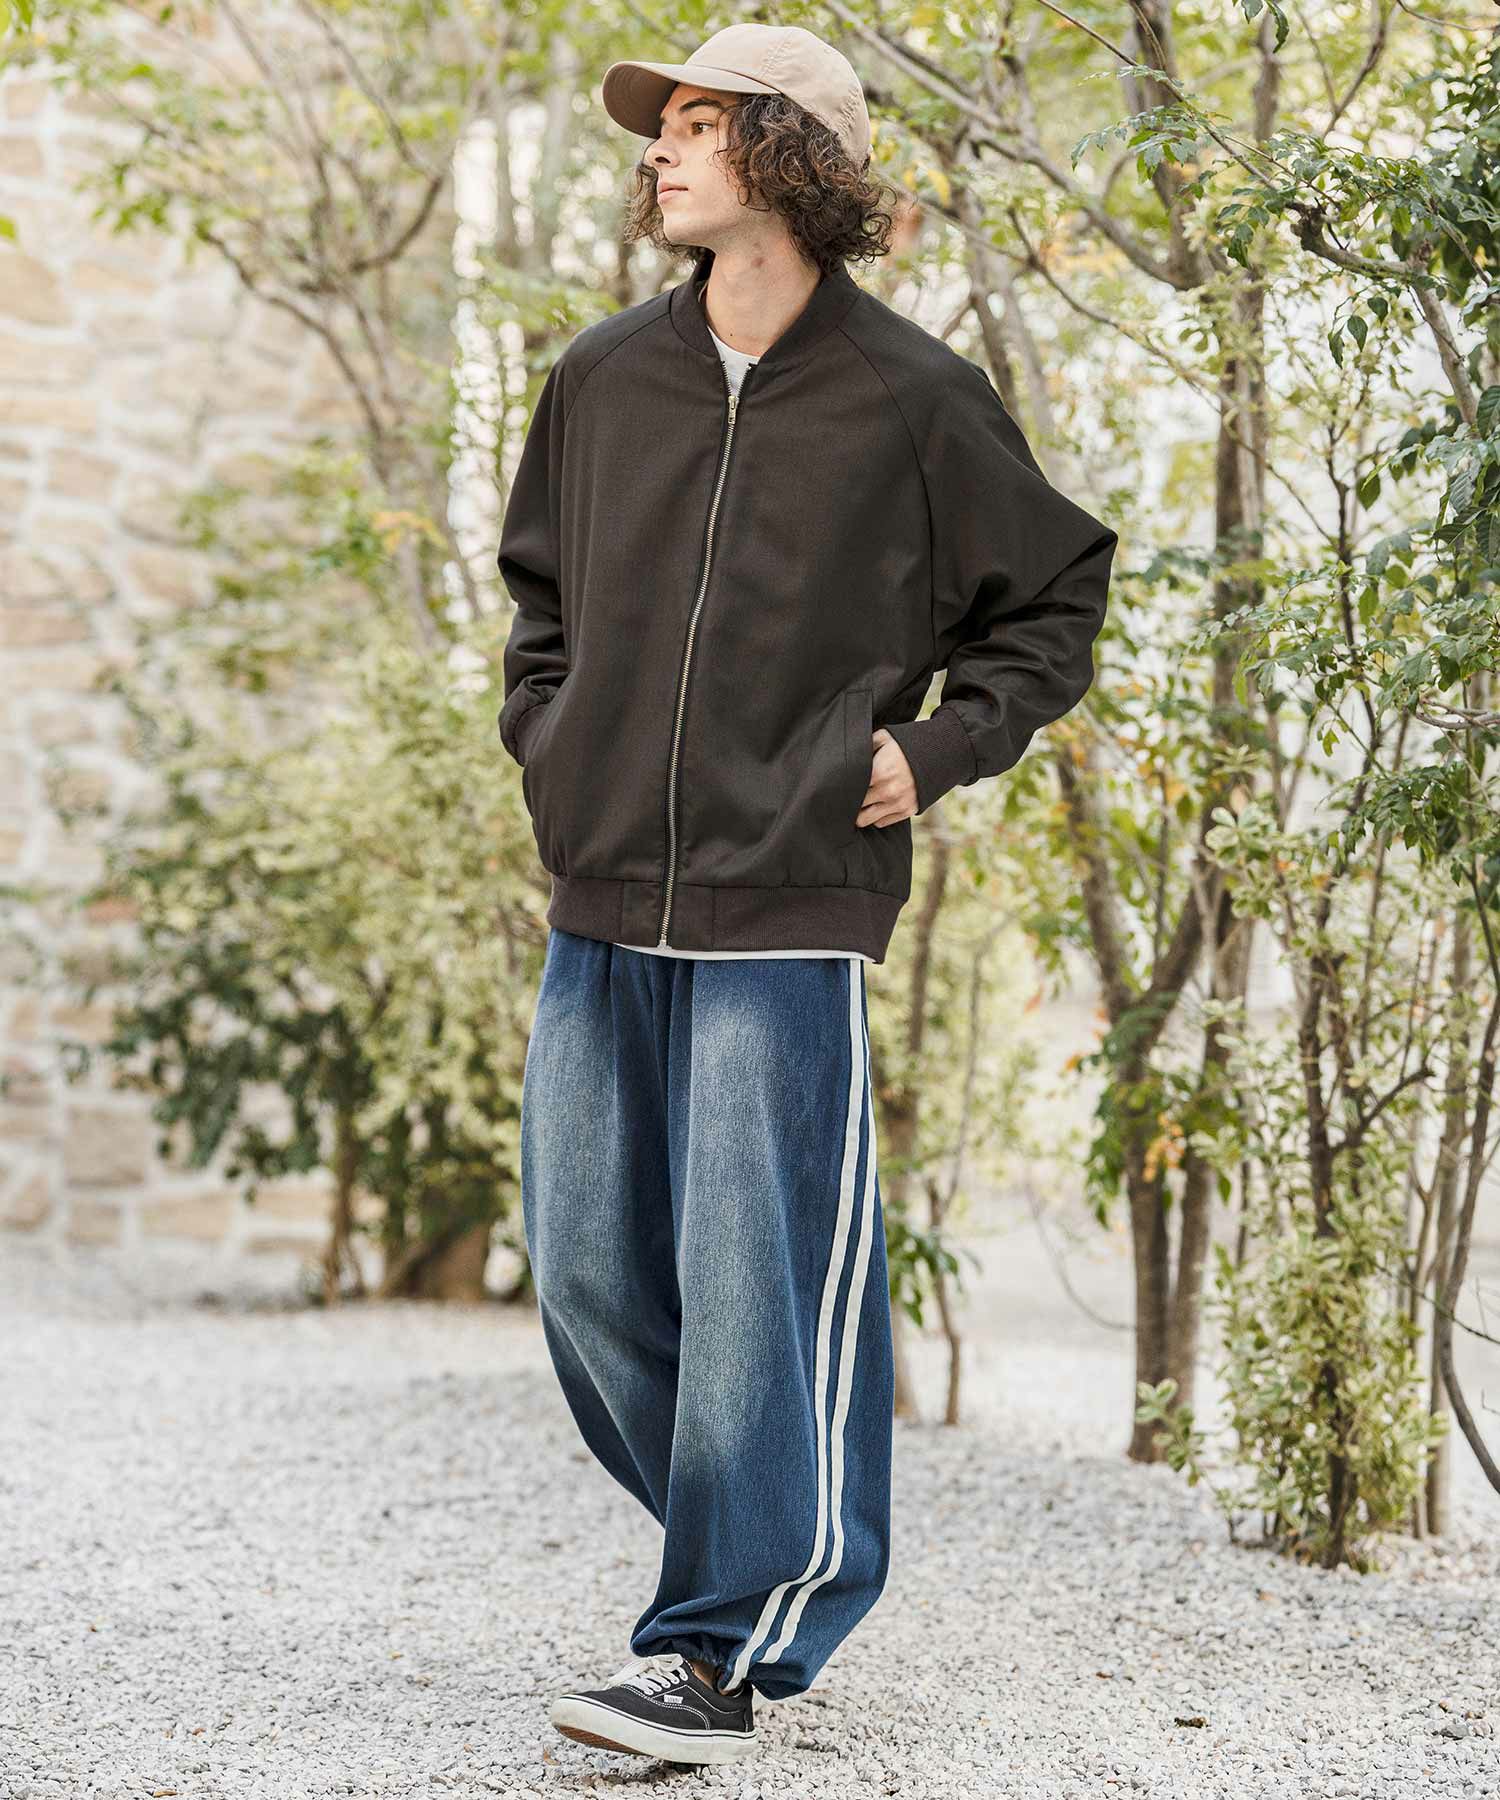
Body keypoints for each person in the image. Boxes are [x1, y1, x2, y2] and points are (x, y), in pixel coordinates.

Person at [496, 20, 1118, 1768]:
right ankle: (759, 1531)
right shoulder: (602, 378)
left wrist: (943, 745)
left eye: (699, 124)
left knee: (757, 1281)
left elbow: (1055, 599)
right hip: (604, 886)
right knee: (588, 1269)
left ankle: (719, 1642)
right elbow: (540, 602)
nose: (661, 150)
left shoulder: (913, 398)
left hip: (791, 900)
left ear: (789, 159)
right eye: (663, 126)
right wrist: (552, 738)